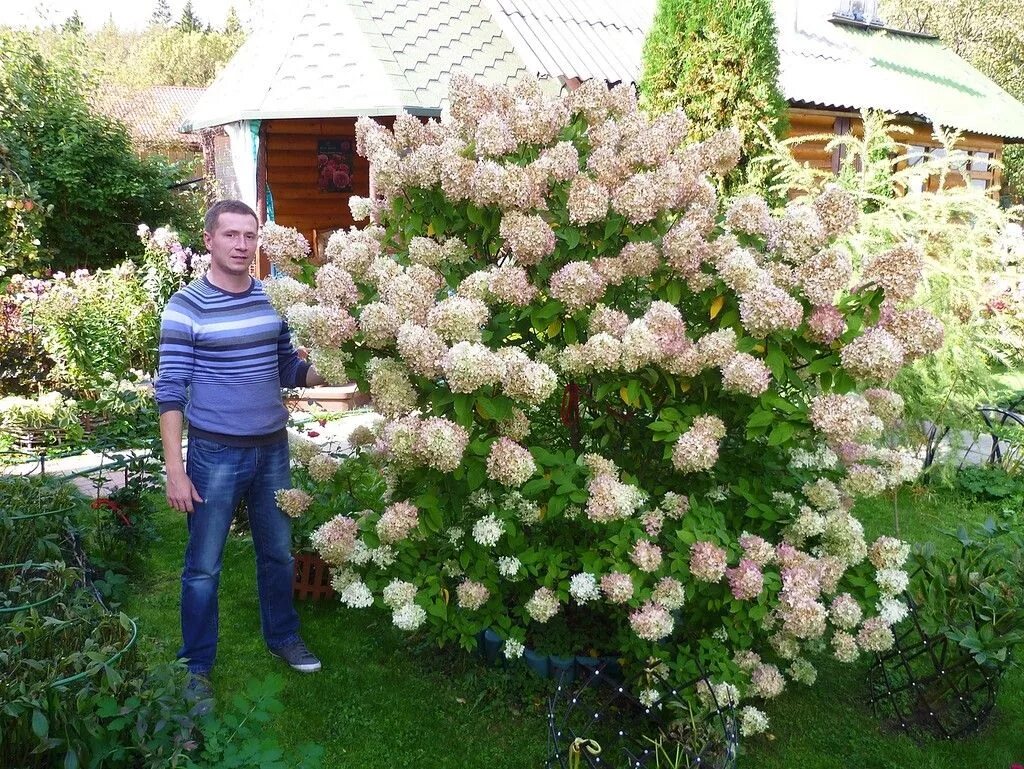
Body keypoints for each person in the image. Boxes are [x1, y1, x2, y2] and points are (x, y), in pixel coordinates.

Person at [155, 200, 327, 706]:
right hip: (214, 454)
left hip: (271, 448)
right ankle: (196, 665)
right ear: (208, 240)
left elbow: (289, 371)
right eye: (230, 235)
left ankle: (282, 636)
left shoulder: (272, 300)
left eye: (249, 236)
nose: (241, 245)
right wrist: (176, 469)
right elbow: (170, 392)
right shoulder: (186, 307)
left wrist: (338, 362)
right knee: (204, 565)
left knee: (277, 552)